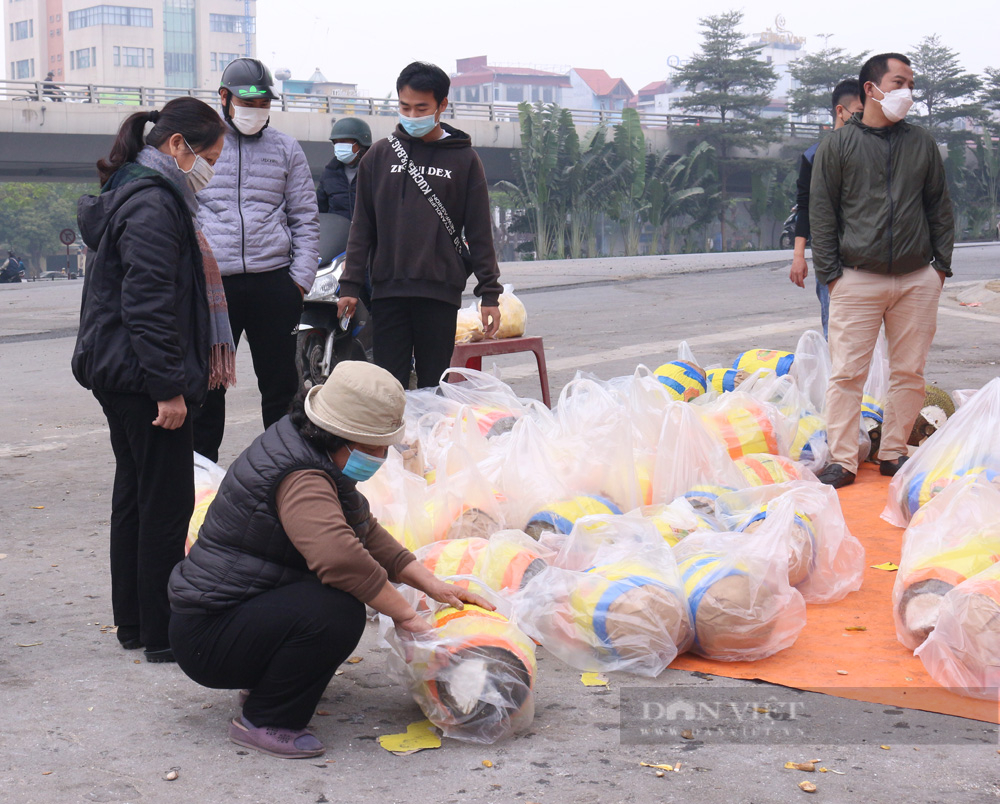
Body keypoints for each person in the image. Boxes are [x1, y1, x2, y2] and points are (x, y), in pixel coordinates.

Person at [168, 361, 491, 758]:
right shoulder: (301, 473)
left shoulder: (310, 449)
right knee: (337, 611)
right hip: (208, 635)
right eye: (373, 447)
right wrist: (406, 617)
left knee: (329, 600)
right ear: (342, 437)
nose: (380, 455)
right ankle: (266, 718)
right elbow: (341, 558)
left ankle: (268, 680)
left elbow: (364, 531)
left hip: (229, 615)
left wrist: (430, 583)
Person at [72, 98, 232, 661]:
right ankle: (163, 634)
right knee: (164, 500)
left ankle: (135, 623)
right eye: (208, 156)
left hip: (119, 369)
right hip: (141, 376)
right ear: (177, 147)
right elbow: (147, 305)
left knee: (136, 495)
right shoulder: (154, 206)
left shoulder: (136, 190)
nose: (210, 168)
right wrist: (168, 387)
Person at [810, 53, 954, 488]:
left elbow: (939, 208)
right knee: (847, 373)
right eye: (899, 82)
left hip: (916, 279)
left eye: (911, 82)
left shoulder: (921, 143)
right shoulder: (837, 145)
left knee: (909, 372)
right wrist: (833, 274)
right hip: (856, 277)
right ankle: (843, 460)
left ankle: (893, 453)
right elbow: (822, 213)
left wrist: (939, 269)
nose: (908, 91)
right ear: (871, 89)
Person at [337, 61, 503, 389]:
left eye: (421, 108)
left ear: (442, 105)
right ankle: (395, 444)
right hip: (388, 291)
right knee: (389, 389)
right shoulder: (378, 157)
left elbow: (480, 231)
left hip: (439, 293)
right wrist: (350, 285)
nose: (412, 116)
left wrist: (490, 295)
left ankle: (429, 442)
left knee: (433, 386)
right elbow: (362, 227)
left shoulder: (465, 160)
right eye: (405, 107)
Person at [193, 57, 320, 463]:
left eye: (264, 103)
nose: (256, 111)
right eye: (248, 102)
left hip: (274, 283)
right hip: (215, 286)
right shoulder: (199, 147)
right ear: (224, 98)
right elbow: (184, 211)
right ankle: (201, 475)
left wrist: (298, 280)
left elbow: (304, 217)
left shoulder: (286, 149)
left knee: (282, 387)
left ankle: (285, 470)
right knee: (208, 386)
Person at [788, 79, 864, 338]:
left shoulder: (873, 151)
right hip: (832, 258)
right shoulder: (814, 155)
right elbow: (805, 205)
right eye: (860, 112)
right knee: (835, 331)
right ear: (840, 111)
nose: (865, 119)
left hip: (870, 256)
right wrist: (799, 256)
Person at [317, 117, 372, 219]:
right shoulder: (329, 174)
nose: (339, 146)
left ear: (361, 144)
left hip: (368, 234)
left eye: (344, 141)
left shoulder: (375, 173)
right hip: (338, 233)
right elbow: (319, 210)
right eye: (336, 142)